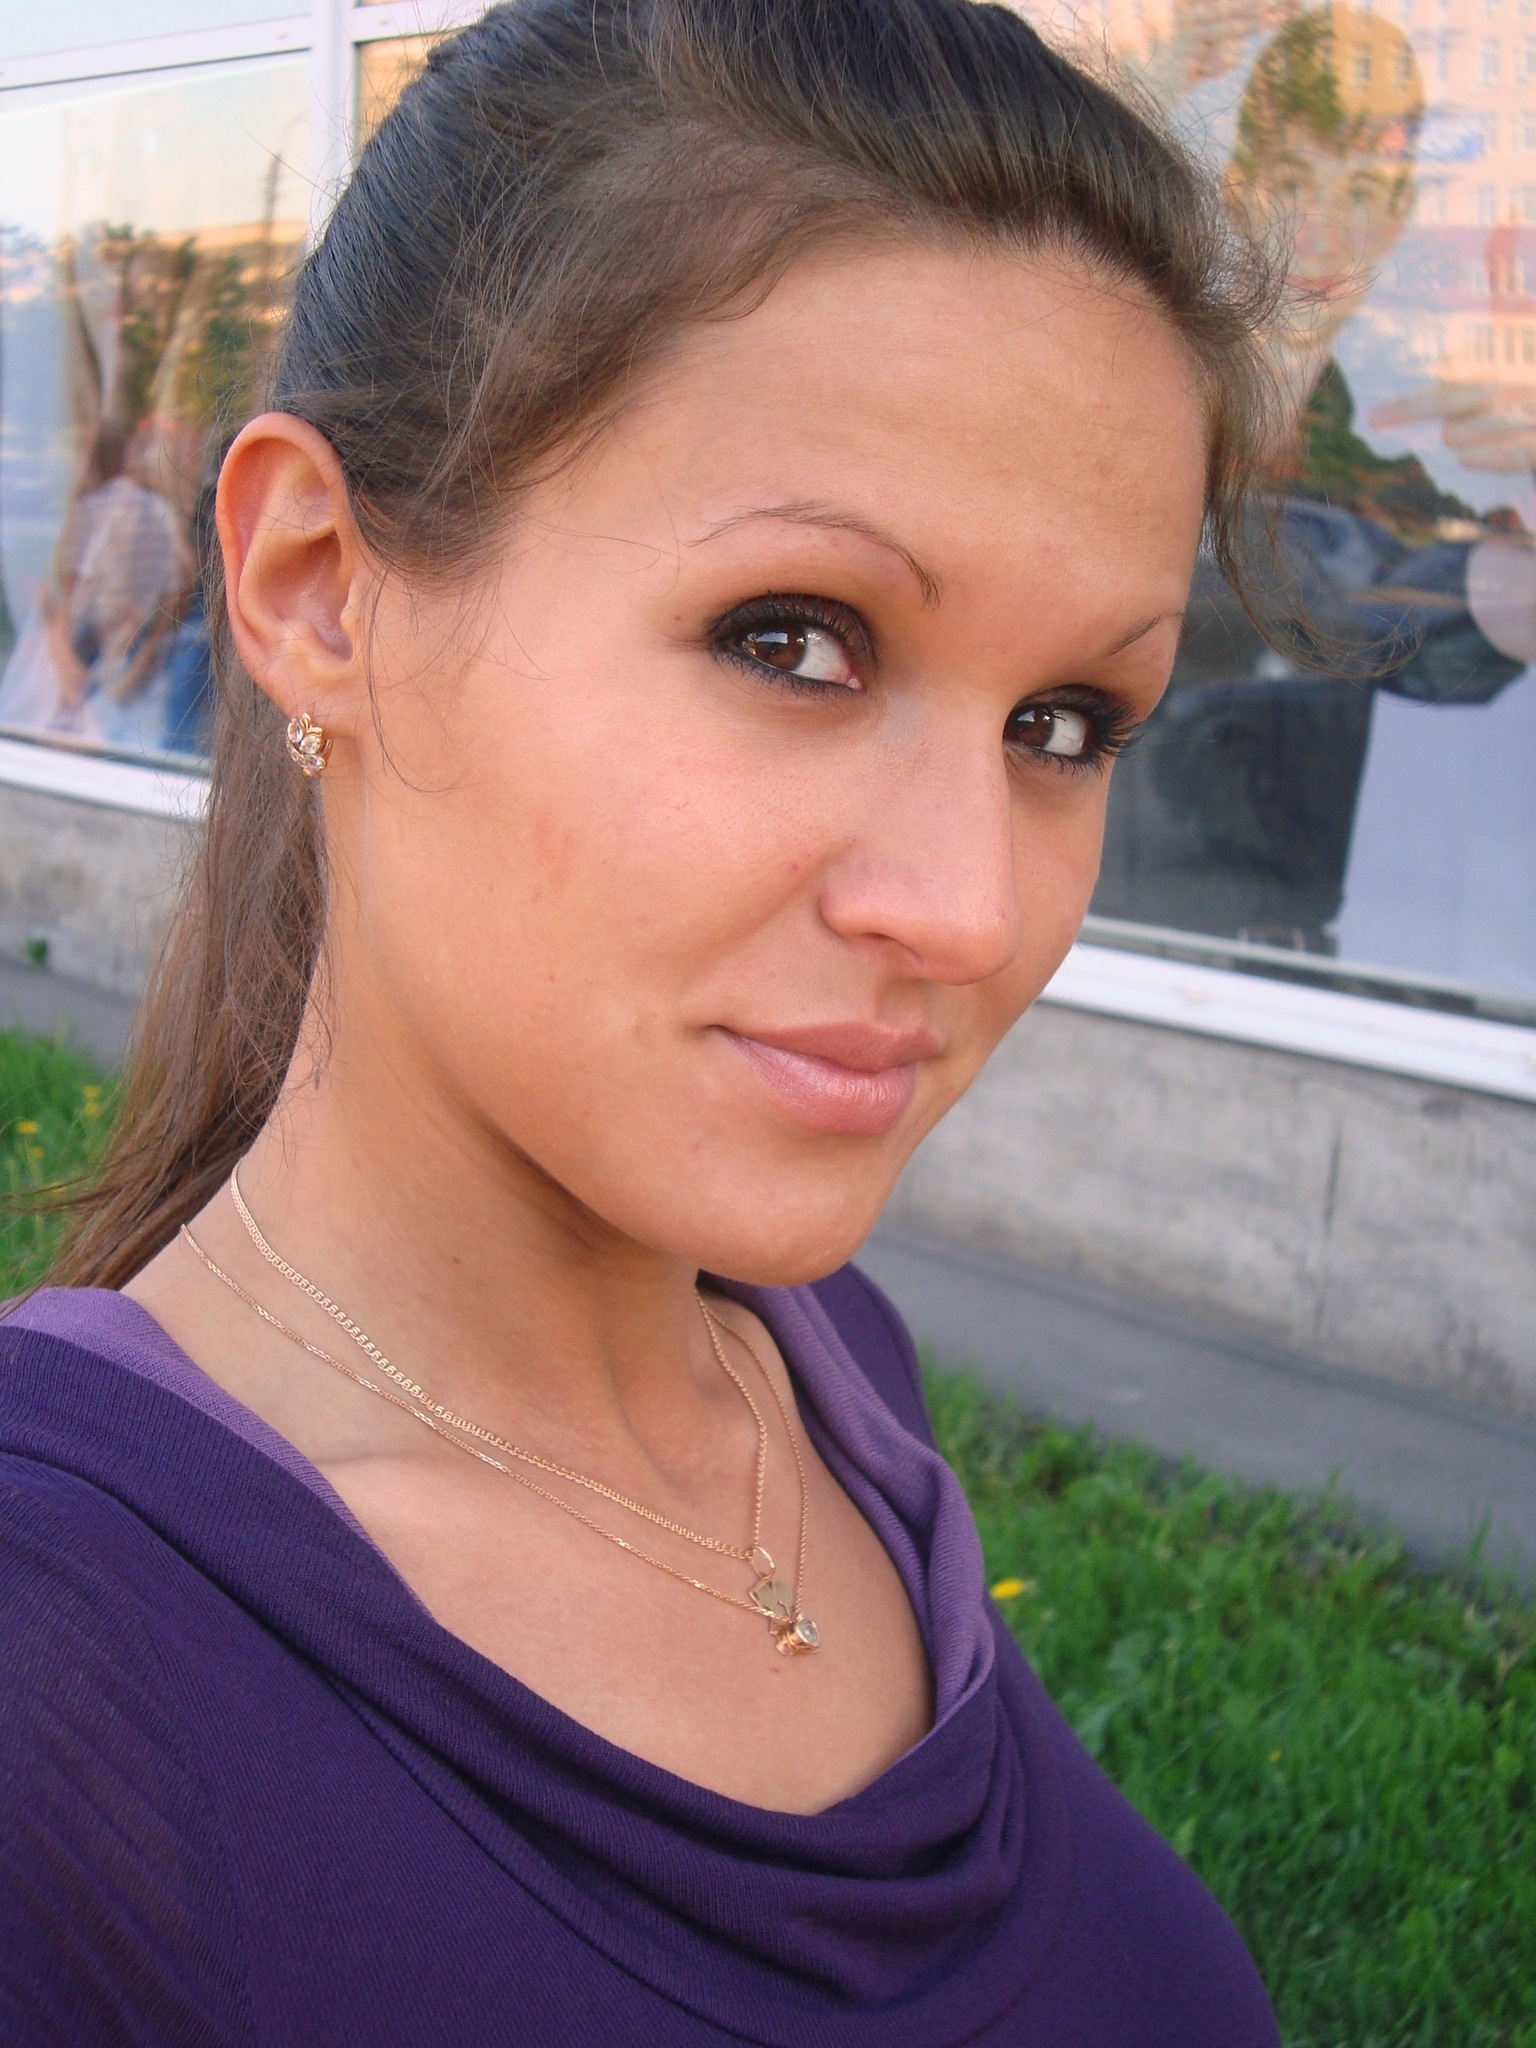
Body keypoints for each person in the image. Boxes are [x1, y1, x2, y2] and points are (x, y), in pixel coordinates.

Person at [0, 1, 1283, 2040]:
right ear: (320, 587)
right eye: (796, 640)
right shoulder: (58, 1699)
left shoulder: (820, 1374)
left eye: (1065, 723)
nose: (970, 907)